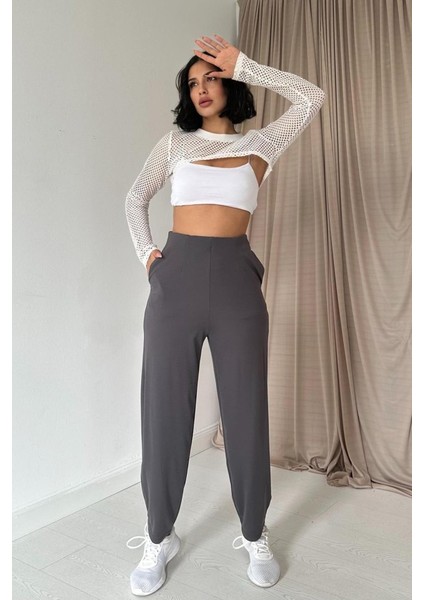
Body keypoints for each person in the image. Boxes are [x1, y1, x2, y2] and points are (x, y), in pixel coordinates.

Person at [124, 34, 325, 596]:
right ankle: (158, 536)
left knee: (245, 409)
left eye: (211, 77)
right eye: (193, 83)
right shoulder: (176, 143)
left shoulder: (262, 142)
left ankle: (255, 532)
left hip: (237, 281)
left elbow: (312, 97)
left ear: (230, 83)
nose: (201, 88)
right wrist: (150, 258)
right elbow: (135, 197)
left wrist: (246, 65)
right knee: (164, 410)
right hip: (177, 279)